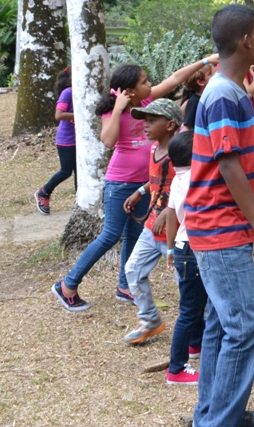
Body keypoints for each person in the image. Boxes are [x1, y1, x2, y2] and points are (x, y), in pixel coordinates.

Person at [52, 53, 219, 312]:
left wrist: (207, 60)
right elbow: (108, 141)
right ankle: (68, 285)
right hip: (120, 183)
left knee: (133, 233)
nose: (149, 84)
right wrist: (119, 108)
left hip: (146, 183)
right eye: (144, 81)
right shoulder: (112, 109)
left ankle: (124, 286)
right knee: (111, 235)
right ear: (129, 90)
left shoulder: (147, 100)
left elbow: (176, 78)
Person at [184, 4, 254, 427]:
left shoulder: (230, 89)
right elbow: (227, 164)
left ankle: (211, 413)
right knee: (245, 328)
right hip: (218, 224)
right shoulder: (224, 94)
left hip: (217, 224)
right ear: (246, 41)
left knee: (221, 325)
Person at [121, 98, 182, 346]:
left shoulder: (181, 153)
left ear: (170, 125)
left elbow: (186, 185)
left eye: (152, 120)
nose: (145, 125)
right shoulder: (154, 148)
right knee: (133, 270)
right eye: (145, 120)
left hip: (176, 231)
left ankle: (200, 326)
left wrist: (168, 212)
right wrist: (140, 191)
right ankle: (149, 319)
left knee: (185, 283)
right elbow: (158, 179)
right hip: (152, 226)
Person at [161, 130, 204, 385]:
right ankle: (176, 369)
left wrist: (169, 250)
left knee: (195, 303)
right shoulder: (194, 178)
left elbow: (170, 214)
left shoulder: (178, 179)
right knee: (189, 310)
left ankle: (195, 345)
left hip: (181, 247)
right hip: (192, 248)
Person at [34, 67, 75, 214]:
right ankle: (43, 192)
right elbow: (59, 115)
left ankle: (80, 202)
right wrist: (79, 115)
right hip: (67, 140)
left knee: (80, 174)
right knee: (66, 171)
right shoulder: (68, 92)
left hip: (80, 140)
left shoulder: (84, 92)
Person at [180, 62, 215, 131]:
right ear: (201, 82)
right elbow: (187, 127)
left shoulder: (209, 97)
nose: (215, 75)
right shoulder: (194, 102)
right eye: (210, 74)